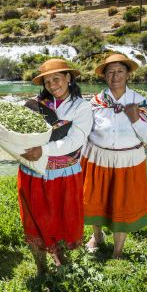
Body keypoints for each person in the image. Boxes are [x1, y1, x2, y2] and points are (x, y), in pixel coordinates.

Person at [18, 59, 93, 275]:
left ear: (69, 78)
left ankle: (63, 263)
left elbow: (75, 141)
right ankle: (41, 267)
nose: (52, 85)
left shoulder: (81, 107)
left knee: (62, 218)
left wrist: (44, 150)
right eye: (47, 81)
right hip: (33, 171)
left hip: (63, 174)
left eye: (56, 79)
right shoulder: (35, 105)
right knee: (34, 218)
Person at [82, 54, 147, 259]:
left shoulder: (142, 103)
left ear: (128, 75)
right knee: (95, 199)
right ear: (105, 76)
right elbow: (85, 132)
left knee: (121, 203)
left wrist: (135, 119)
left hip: (128, 161)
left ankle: (118, 251)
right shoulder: (95, 102)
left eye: (120, 71)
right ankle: (97, 237)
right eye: (110, 72)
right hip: (98, 158)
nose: (115, 76)